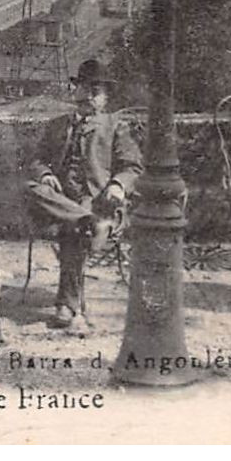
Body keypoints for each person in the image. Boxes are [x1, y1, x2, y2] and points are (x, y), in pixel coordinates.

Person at [26, 58, 143, 330]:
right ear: (75, 90)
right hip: (58, 200)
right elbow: (36, 160)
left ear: (105, 98)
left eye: (96, 90)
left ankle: (66, 305)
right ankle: (84, 220)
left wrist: (117, 185)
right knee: (31, 188)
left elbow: (133, 167)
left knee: (73, 231)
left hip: (97, 200)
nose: (89, 95)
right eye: (85, 88)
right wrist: (45, 174)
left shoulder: (116, 126)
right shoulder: (57, 125)